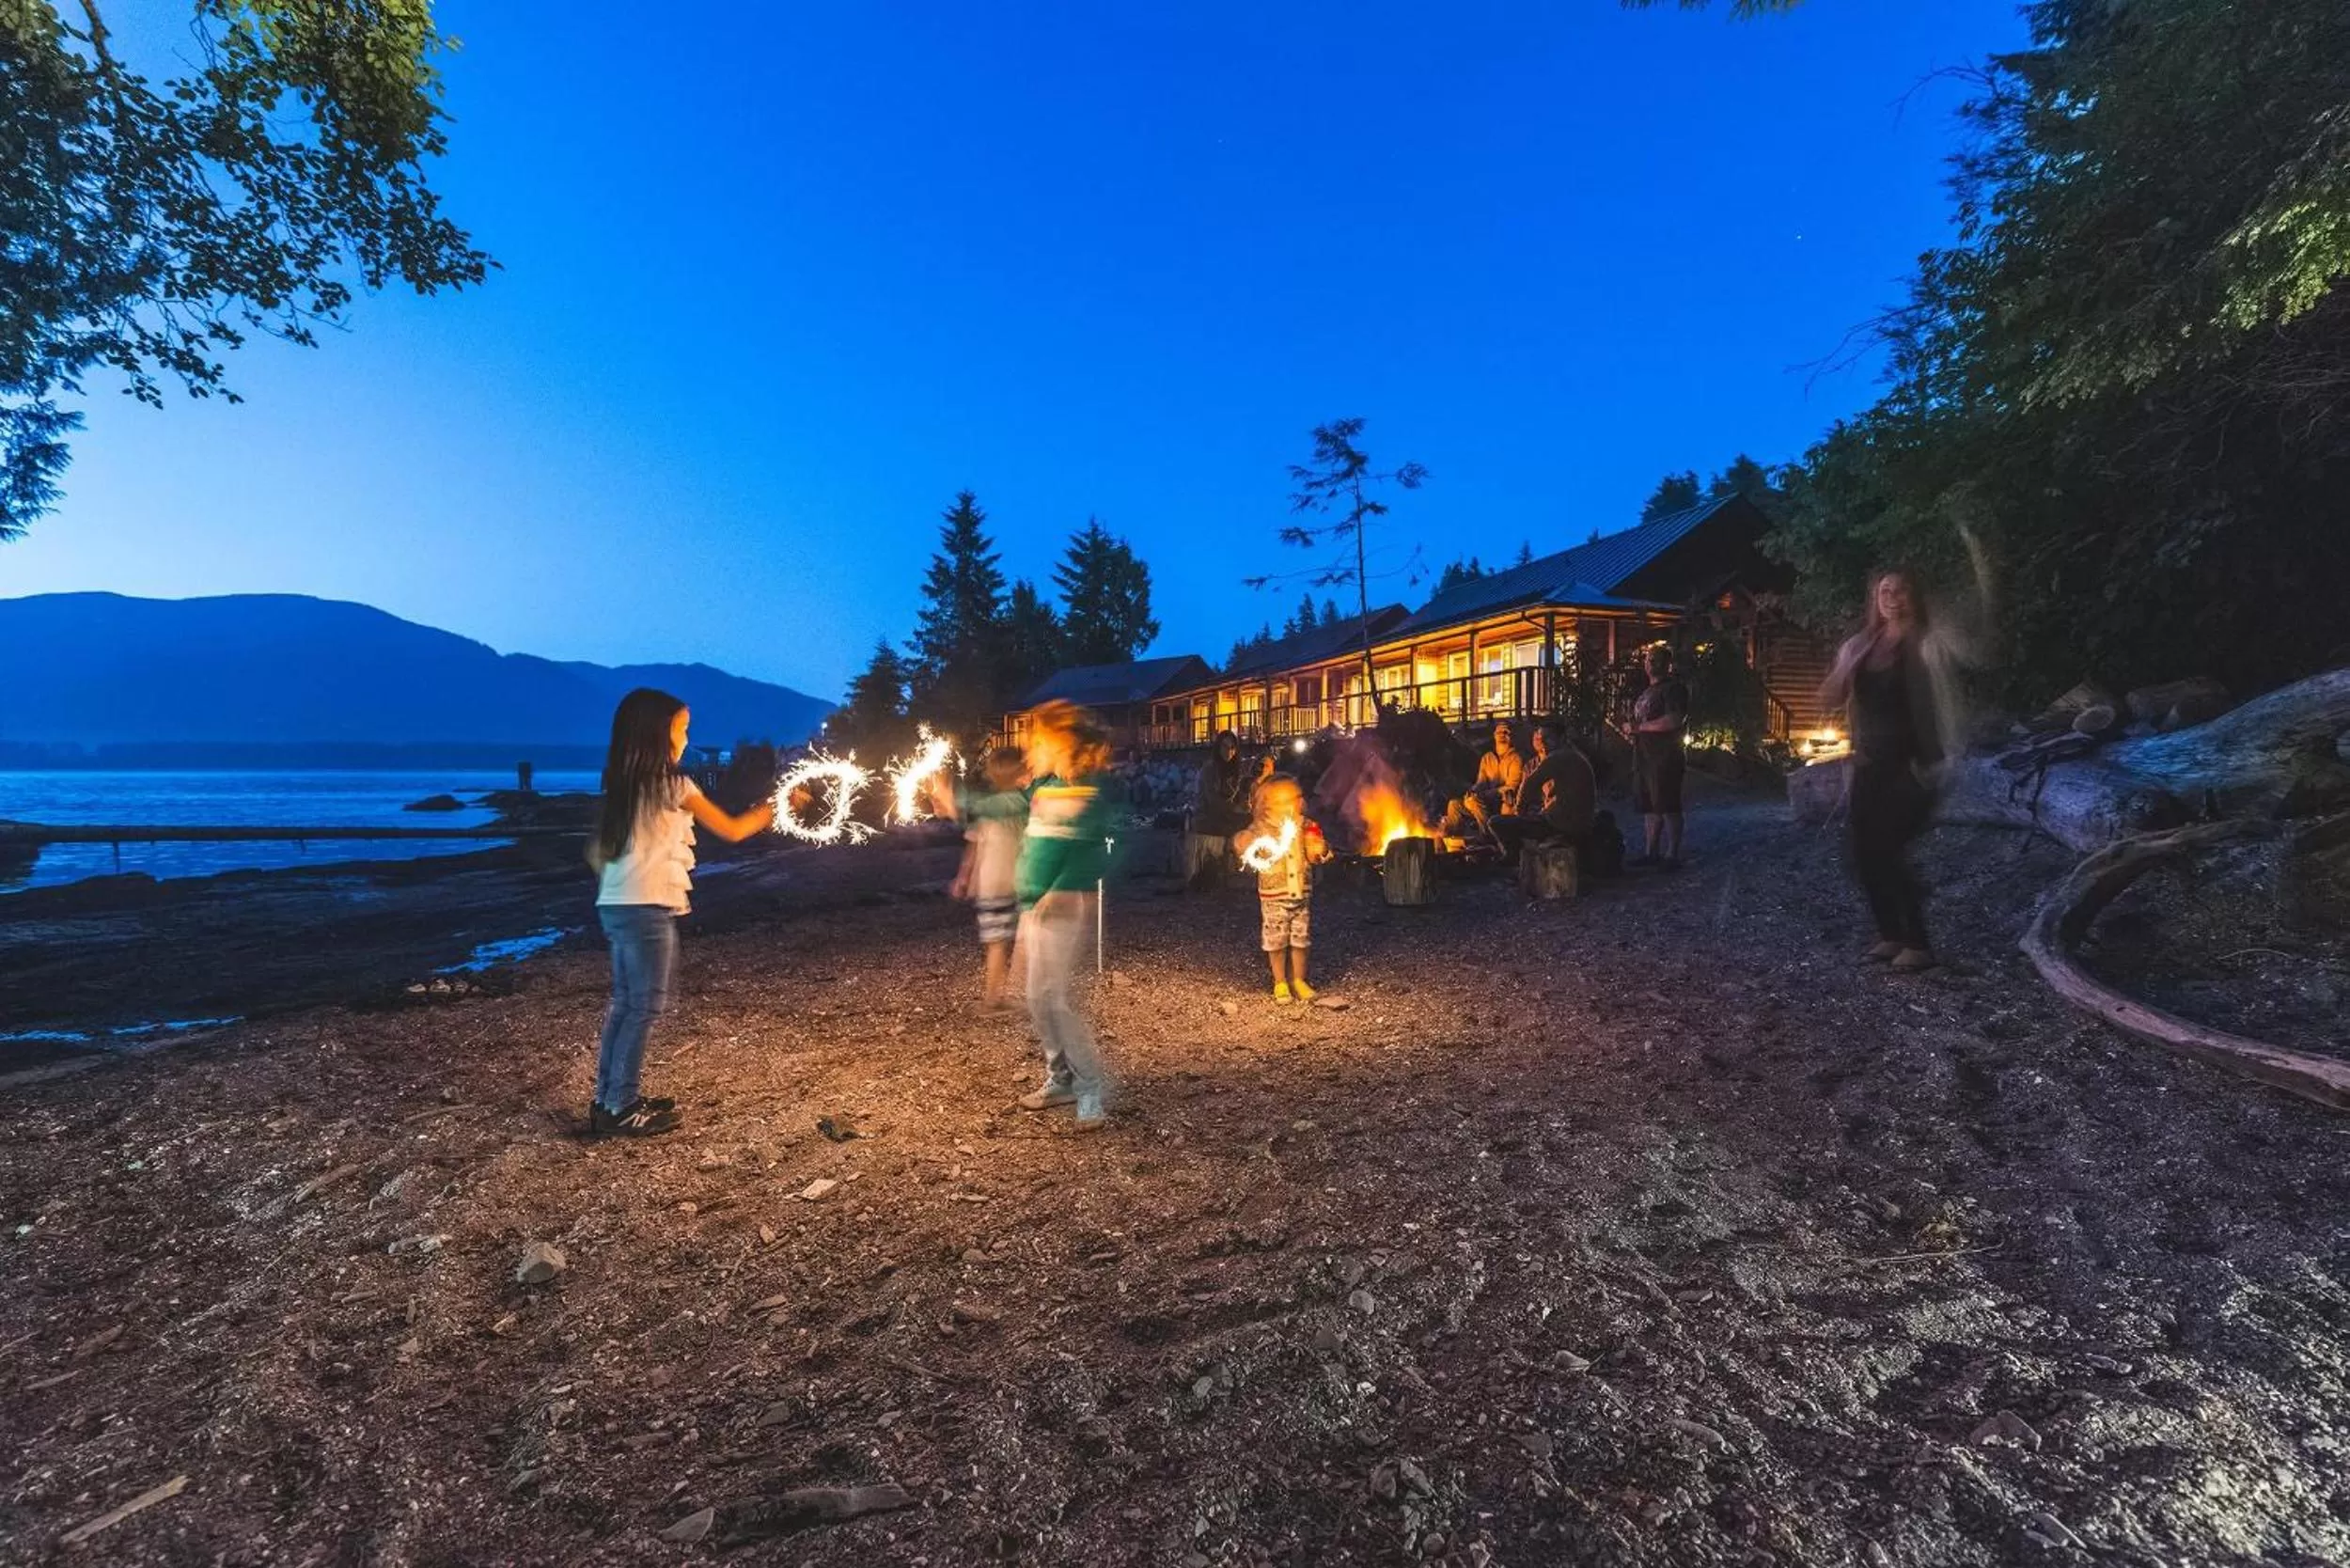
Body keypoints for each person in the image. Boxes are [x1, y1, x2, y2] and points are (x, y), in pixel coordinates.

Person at [587, 687, 775, 1137]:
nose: (688, 739)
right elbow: (731, 829)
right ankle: (622, 1106)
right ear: (659, 734)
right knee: (644, 1007)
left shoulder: (623, 785)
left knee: (625, 1005)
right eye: (682, 729)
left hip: (616, 904)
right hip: (647, 907)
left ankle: (607, 1099)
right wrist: (774, 808)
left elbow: (597, 853)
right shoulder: (676, 786)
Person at [1820, 570, 1952, 973]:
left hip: (1913, 762)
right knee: (1862, 851)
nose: (1892, 598)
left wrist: (1938, 759)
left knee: (1889, 848)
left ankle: (1918, 942)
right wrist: (1843, 668)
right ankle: (1890, 934)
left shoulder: (1928, 643)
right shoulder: (1862, 644)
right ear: (1875, 599)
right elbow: (1830, 698)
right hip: (1870, 761)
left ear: (1916, 596)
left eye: (1901, 590)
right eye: (1885, 591)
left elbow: (1946, 703)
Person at [1016, 699, 1116, 1127]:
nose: (1030, 745)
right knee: (1037, 999)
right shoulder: (1044, 789)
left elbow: (1097, 848)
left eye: (1038, 738)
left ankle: (1090, 1086)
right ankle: (1059, 1077)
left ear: (1063, 742)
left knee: (1054, 999)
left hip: (1061, 907)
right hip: (1034, 909)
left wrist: (1060, 889)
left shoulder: (1087, 792)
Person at [1236, 774, 1330, 1003]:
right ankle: (1280, 982)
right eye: (1282, 801)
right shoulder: (1262, 829)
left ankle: (1299, 979)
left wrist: (1320, 850)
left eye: (1294, 799)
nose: (1290, 806)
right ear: (1267, 806)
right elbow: (1246, 841)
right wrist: (1242, 842)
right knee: (1276, 940)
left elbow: (1315, 854)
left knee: (1300, 940)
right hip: (1273, 896)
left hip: (1301, 894)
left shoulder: (1306, 826)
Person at [950, 745, 1029, 1011]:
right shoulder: (1023, 804)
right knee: (1004, 942)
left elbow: (972, 847)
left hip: (991, 884)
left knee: (995, 943)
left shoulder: (987, 806)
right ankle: (998, 997)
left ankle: (994, 998)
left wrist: (962, 879)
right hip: (1015, 882)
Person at [1492, 722, 1597, 861]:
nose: (1543, 743)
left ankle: (1514, 858)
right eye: (1540, 739)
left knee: (1496, 822)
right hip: (1579, 821)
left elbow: (1530, 785)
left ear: (1562, 739)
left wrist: (1519, 810)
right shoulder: (1576, 756)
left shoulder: (1558, 757)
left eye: (1548, 738)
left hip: (1561, 824)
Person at [1626, 646, 1689, 869]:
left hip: (1666, 756)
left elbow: (1674, 720)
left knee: (1669, 804)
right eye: (1649, 659)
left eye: (1657, 659)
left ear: (1668, 664)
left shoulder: (1673, 690)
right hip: (1643, 756)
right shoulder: (1646, 693)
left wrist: (1640, 727)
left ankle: (1672, 855)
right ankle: (1650, 852)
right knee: (1649, 806)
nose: (1652, 663)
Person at [1443, 719, 1527, 840]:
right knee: (1454, 804)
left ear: (1512, 736)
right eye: (1499, 732)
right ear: (1494, 735)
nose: (1502, 735)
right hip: (1484, 799)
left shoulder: (1516, 758)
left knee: (1474, 801)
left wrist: (1483, 795)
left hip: (1503, 800)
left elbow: (1511, 786)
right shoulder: (1487, 758)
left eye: (1506, 732)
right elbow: (1481, 782)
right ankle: (1454, 839)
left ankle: (1487, 837)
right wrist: (1473, 790)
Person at [1188, 730, 1251, 888]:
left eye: (1232, 747)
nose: (1228, 751)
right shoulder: (1210, 769)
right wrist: (1236, 814)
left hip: (1226, 814)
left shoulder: (1235, 770)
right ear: (1218, 748)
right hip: (1207, 816)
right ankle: (1229, 870)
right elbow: (1213, 801)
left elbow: (1237, 797)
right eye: (1224, 747)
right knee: (1245, 824)